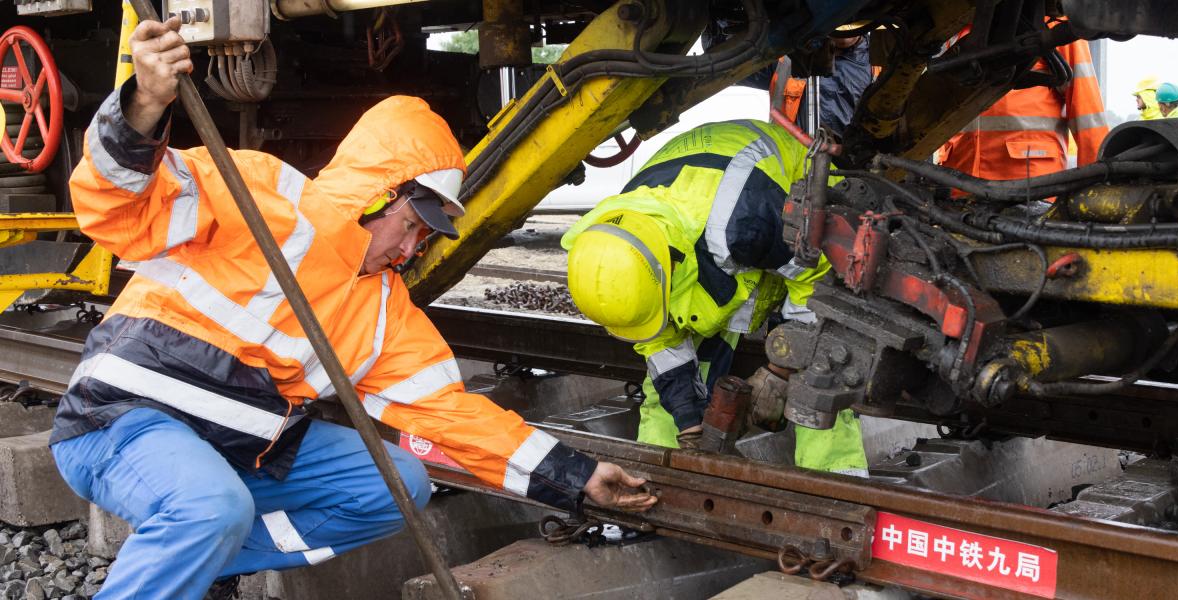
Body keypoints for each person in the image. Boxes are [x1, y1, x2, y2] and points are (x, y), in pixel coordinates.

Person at [50, 17, 654, 600]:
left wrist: (577, 479)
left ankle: (204, 553)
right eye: (414, 225)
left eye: (427, 236)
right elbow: (118, 209)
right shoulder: (261, 196)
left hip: (234, 448)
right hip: (123, 422)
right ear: (380, 196)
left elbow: (452, 416)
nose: (414, 248)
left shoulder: (384, 311)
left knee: (397, 485)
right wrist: (143, 107)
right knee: (213, 506)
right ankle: (191, 539)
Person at [561, 120, 869, 477]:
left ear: (671, 271)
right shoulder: (622, 245)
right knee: (669, 392)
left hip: (799, 218)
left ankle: (838, 488)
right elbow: (659, 342)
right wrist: (690, 422)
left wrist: (782, 368)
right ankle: (655, 482)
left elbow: (822, 284)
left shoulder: (743, 222)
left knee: (818, 375)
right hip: (716, 233)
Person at [939, 30, 1108, 178]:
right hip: (959, 179)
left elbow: (1087, 114)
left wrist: (1096, 188)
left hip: (1030, 181)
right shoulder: (951, 33)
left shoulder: (1054, 28)